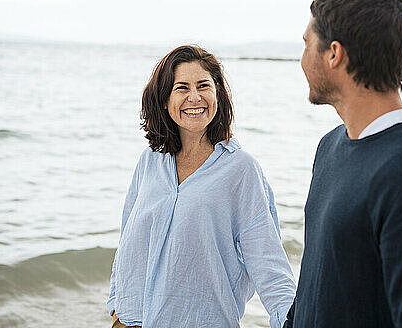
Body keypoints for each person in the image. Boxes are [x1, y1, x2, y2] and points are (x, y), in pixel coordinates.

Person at [284, 0, 402, 327]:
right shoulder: (330, 147)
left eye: (307, 43)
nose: (303, 56)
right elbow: (315, 286)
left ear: (333, 53)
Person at [107, 45, 296, 328]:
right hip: (129, 321)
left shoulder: (240, 170)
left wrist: (292, 319)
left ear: (218, 93)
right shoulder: (150, 161)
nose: (194, 97)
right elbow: (127, 243)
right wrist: (115, 304)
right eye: (181, 87)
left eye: (203, 86)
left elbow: (268, 263)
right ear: (164, 99)